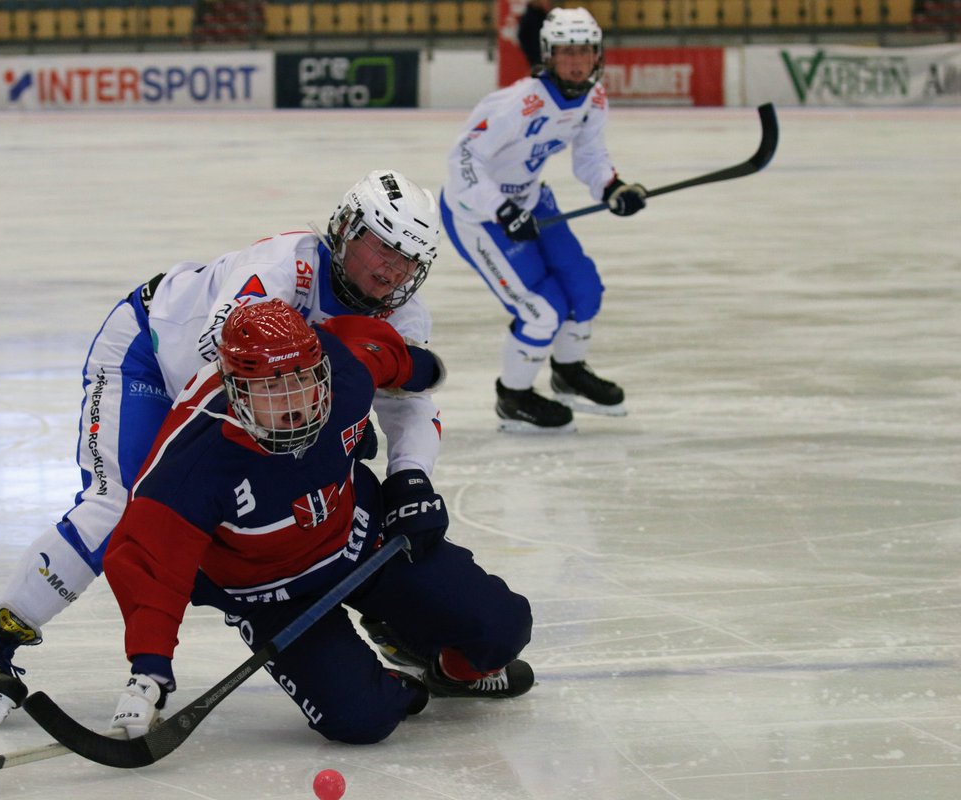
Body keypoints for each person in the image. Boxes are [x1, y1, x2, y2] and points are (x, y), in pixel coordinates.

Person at [0, 170, 447, 726]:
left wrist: (411, 474)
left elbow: (410, 401)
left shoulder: (401, 313)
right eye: (381, 247)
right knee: (119, 508)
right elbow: (217, 374)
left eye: (408, 260)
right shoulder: (279, 270)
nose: (391, 270)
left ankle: (380, 618)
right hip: (152, 361)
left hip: (251, 397)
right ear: (344, 230)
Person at [104, 299, 534, 745]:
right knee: (362, 719)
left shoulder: (343, 370)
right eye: (270, 388)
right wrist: (148, 671)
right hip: (273, 596)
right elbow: (151, 562)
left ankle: (443, 669)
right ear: (235, 389)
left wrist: (420, 369)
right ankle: (384, 688)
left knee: (503, 628)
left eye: (303, 380)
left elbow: (381, 351)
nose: (294, 403)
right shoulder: (194, 456)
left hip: (363, 541)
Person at [441, 7, 647, 432]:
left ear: (598, 55)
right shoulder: (518, 103)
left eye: (585, 51)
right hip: (478, 214)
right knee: (542, 310)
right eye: (566, 52)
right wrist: (500, 208)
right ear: (549, 55)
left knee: (584, 288)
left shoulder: (593, 98)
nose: (576, 61)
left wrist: (613, 187)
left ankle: (568, 372)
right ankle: (513, 398)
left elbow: (590, 156)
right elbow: (463, 158)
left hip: (532, 201)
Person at [517, 0, 554, 69]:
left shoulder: (545, 16)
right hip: (538, 59)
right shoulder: (531, 16)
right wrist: (533, 57)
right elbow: (523, 37)